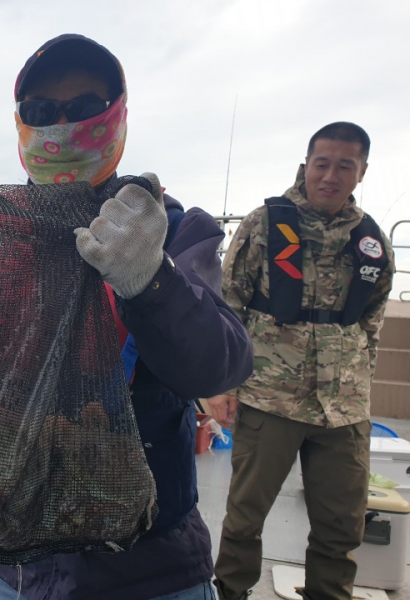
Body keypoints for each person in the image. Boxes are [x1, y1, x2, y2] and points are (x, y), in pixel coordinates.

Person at [0, 33, 254, 600]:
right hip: (6, 560)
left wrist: (150, 278)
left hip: (149, 568)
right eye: (42, 112)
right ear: (21, 125)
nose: (63, 126)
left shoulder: (177, 230)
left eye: (86, 107)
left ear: (118, 116)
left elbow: (219, 366)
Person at [208, 122, 396, 600]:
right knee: (245, 518)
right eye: (322, 164)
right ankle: (231, 593)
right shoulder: (265, 224)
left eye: (345, 166)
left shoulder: (372, 241)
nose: (331, 176)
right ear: (306, 164)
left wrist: (360, 392)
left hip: (344, 410)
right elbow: (229, 305)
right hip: (270, 397)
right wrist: (223, 385)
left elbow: (371, 324)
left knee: (341, 527)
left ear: (362, 172)